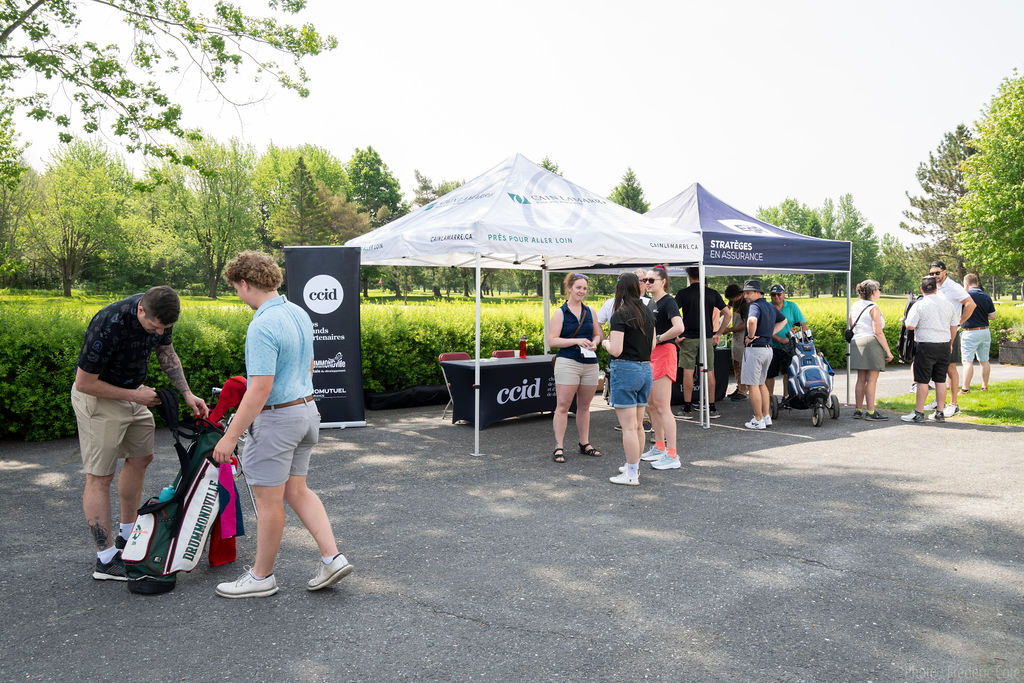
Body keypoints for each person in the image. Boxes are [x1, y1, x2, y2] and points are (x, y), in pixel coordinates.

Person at [212, 251, 352, 598]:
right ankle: (332, 558)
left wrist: (230, 436)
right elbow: (310, 367)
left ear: (245, 283)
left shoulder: (262, 324)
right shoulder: (298, 312)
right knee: (297, 490)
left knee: (268, 500)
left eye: (236, 288)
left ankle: (262, 577)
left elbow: (259, 388)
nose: (238, 295)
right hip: (306, 411)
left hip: (278, 419)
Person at [71, 286, 209, 581]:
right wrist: (136, 396)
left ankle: (127, 534)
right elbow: (84, 383)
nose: (159, 333)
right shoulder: (109, 322)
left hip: (134, 394)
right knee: (100, 476)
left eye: (165, 328)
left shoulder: (161, 314)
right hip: (99, 398)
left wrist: (187, 393)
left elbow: (166, 352)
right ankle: (105, 559)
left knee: (141, 458)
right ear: (141, 310)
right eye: (154, 327)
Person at [601, 273, 655, 486]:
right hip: (645, 369)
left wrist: (605, 343)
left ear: (620, 289)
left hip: (625, 370)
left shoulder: (620, 314)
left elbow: (616, 349)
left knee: (629, 427)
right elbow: (652, 345)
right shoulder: (648, 312)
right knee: (638, 426)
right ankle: (634, 466)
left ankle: (631, 474)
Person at [547, 272, 603, 463]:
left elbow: (597, 334)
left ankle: (584, 443)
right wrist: (576, 341)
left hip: (590, 363)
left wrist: (595, 342)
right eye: (578, 287)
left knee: (585, 407)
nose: (582, 291)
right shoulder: (560, 312)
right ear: (569, 288)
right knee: (563, 406)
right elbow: (552, 340)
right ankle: (559, 446)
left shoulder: (590, 311)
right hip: (568, 362)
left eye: (584, 288)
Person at [638, 266, 685, 470]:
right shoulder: (650, 303)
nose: (647, 283)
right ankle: (659, 446)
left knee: (663, 406)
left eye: (651, 280)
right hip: (651, 355)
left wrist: (659, 338)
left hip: (664, 353)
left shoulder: (668, 302)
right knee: (651, 405)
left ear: (663, 281)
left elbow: (679, 327)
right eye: (645, 280)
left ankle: (672, 454)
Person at [901, 275, 958, 423]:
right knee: (940, 380)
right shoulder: (948, 305)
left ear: (921, 289)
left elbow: (910, 325)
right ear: (936, 288)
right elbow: (954, 326)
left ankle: (919, 413)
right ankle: (940, 412)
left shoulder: (919, 305)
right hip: (944, 344)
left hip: (925, 345)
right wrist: (951, 343)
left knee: (922, 381)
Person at [674, 266, 728, 419]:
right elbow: (727, 314)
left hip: (688, 338)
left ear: (689, 276)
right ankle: (712, 408)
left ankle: (687, 408)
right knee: (709, 371)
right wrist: (718, 333)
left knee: (688, 372)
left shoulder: (683, 293)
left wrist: (677, 335)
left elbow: (672, 314)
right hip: (707, 337)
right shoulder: (712, 293)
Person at [927, 261, 975, 417]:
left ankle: (954, 404)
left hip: (950, 333)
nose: (934, 276)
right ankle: (938, 401)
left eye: (937, 273)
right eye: (932, 273)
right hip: (937, 333)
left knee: (950, 368)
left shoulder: (953, 287)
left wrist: (959, 322)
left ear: (945, 272)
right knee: (937, 368)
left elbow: (971, 304)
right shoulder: (935, 287)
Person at [741, 280, 787, 430]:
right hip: (768, 349)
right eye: (744, 293)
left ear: (757, 293)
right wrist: (770, 333)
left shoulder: (755, 306)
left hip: (755, 349)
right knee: (761, 383)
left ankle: (758, 419)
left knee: (752, 385)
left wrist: (750, 336)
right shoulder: (769, 305)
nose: (745, 296)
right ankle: (766, 416)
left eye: (748, 293)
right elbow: (784, 320)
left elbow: (752, 320)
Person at [849, 279, 894, 420]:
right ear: (874, 292)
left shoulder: (855, 305)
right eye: (879, 289)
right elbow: (878, 332)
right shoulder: (874, 307)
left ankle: (858, 410)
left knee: (861, 378)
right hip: (871, 343)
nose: (880, 292)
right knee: (872, 379)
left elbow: (851, 323)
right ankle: (870, 411)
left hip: (857, 341)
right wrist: (888, 351)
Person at [765, 284, 808, 398]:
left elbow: (802, 324)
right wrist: (779, 339)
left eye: (779, 294)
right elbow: (765, 328)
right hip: (771, 346)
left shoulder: (792, 306)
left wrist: (801, 337)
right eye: (773, 295)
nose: (776, 297)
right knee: (769, 374)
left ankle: (787, 398)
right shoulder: (767, 307)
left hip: (789, 347)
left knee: (788, 373)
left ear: (784, 294)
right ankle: (769, 399)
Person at [960, 273, 996, 392]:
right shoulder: (986, 296)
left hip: (970, 332)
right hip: (984, 331)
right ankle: (984, 386)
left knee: (967, 361)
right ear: (977, 282)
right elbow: (993, 316)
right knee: (984, 361)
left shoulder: (965, 296)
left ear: (966, 284)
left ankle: (965, 389)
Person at [722, 283, 749, 402]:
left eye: (731, 299)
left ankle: (743, 391)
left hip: (743, 337)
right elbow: (726, 309)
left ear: (738, 295)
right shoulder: (734, 300)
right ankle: (739, 387)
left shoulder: (745, 305)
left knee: (742, 365)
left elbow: (746, 324)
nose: (731, 301)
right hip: (736, 337)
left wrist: (729, 329)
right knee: (736, 363)